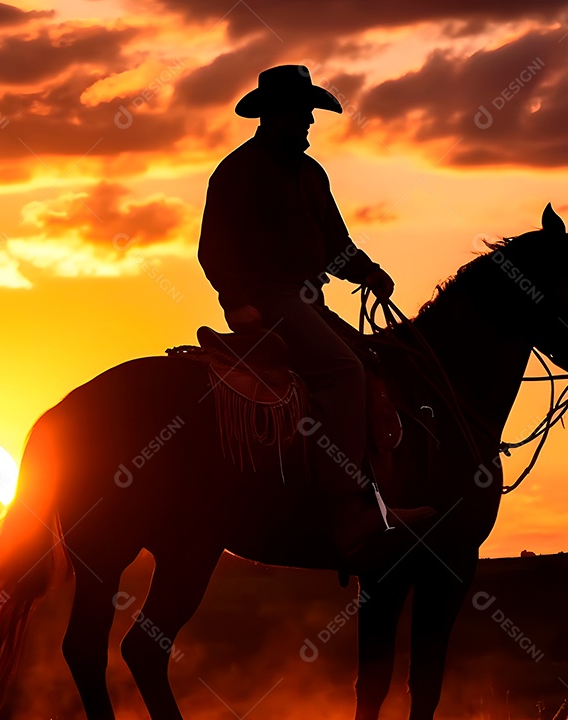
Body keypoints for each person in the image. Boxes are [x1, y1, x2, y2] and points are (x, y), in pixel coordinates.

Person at [198, 64, 432, 568]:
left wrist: (367, 271)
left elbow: (334, 246)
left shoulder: (310, 174)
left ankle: (376, 490)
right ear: (275, 115)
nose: (308, 122)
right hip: (271, 298)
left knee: (374, 360)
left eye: (310, 113)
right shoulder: (239, 171)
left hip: (308, 300)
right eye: (301, 113)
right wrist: (236, 299)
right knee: (343, 370)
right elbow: (214, 247)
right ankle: (346, 504)